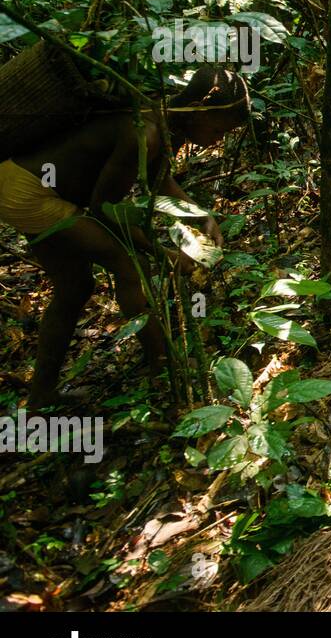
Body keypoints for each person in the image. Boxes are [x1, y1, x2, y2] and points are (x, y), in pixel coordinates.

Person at [0, 67, 249, 409]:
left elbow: (160, 180)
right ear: (200, 109)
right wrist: (162, 253)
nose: (219, 140)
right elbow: (104, 208)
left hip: (25, 182)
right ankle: (163, 371)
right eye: (219, 130)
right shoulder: (144, 133)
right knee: (131, 264)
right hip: (30, 193)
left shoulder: (159, 117)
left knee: (74, 288)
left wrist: (202, 216)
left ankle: (41, 397)